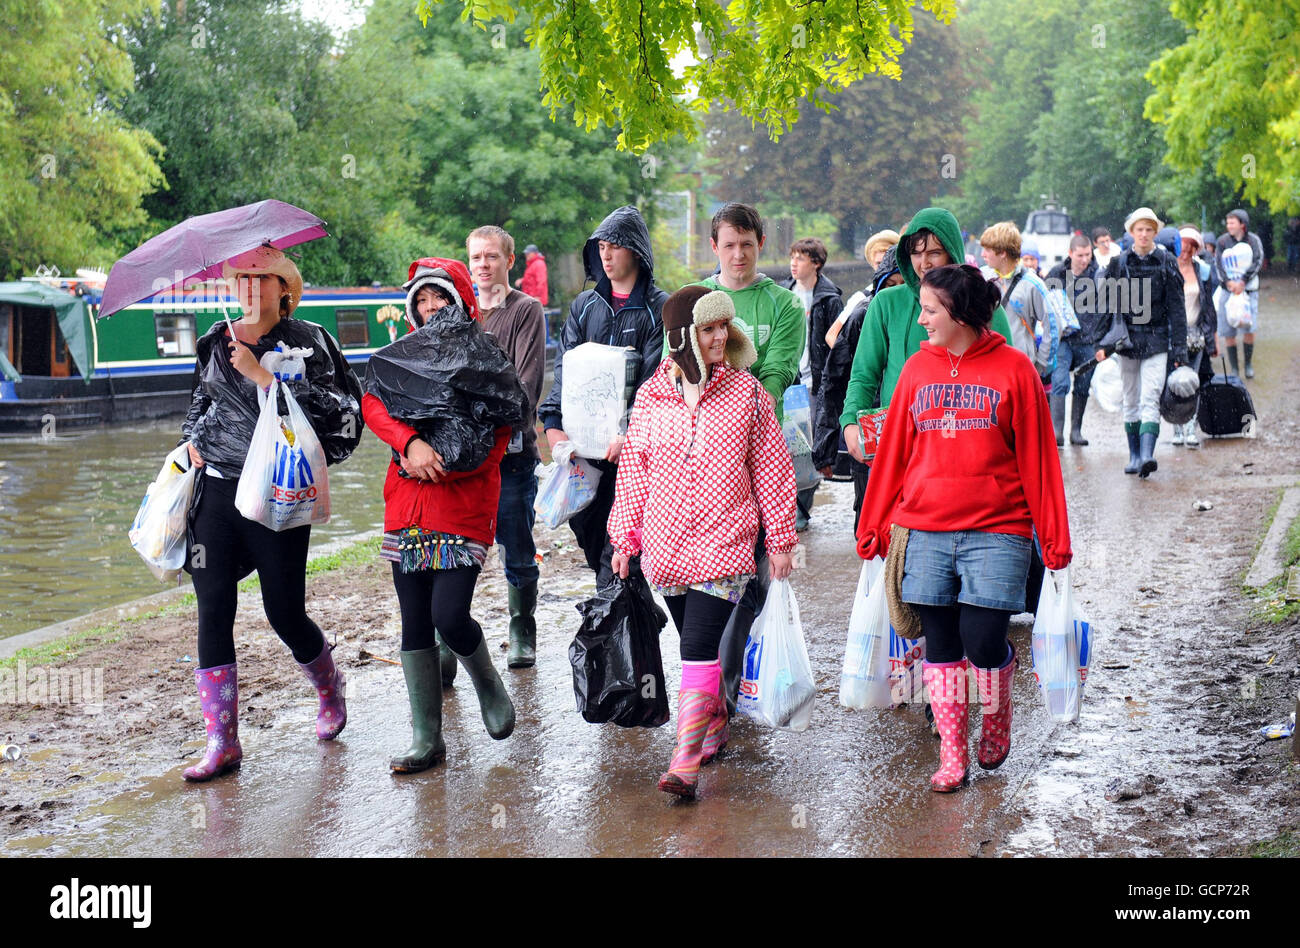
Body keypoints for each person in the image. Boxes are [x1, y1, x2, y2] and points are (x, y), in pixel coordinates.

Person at [856, 263, 1072, 792]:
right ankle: (954, 755)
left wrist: (1054, 535)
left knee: (983, 640)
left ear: (959, 312)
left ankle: (997, 710)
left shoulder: (1016, 370)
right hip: (923, 527)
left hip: (999, 528)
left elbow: (1039, 459)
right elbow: (894, 456)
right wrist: (875, 519)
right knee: (940, 642)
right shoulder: (915, 371)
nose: (922, 319)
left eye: (930, 309)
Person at [179, 245, 363, 782]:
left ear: (285, 289)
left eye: (265, 278)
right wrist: (192, 439)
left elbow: (344, 410)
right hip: (216, 491)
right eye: (244, 278)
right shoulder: (215, 340)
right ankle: (222, 741)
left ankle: (330, 687)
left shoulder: (310, 341)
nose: (253, 287)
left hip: (279, 491)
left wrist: (266, 377)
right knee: (212, 605)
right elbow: (198, 402)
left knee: (284, 612)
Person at [608, 285, 798, 800]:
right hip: (665, 548)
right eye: (709, 328)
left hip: (727, 542)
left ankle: (685, 762)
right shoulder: (651, 397)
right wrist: (624, 539)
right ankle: (712, 723)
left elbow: (774, 471)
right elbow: (634, 473)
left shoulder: (748, 394)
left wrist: (779, 539)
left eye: (724, 327)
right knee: (695, 645)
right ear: (683, 338)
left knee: (695, 648)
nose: (722, 337)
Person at [363, 258, 524, 772]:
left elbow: (499, 439)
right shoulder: (400, 358)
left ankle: (487, 683)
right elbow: (371, 403)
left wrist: (444, 465)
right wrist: (409, 444)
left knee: (447, 614)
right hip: (406, 505)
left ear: (459, 301)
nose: (429, 308)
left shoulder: (487, 359)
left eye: (439, 298)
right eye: (421, 300)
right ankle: (426, 738)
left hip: (463, 506)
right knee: (414, 619)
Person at [685, 202, 805, 712]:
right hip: (697, 470)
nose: (738, 254)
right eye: (728, 245)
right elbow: (676, 372)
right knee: (702, 585)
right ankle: (710, 688)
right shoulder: (696, 302)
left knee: (746, 585)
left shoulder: (784, 306)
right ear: (714, 247)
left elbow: (774, 378)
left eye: (748, 245)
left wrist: (730, 398)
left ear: (761, 246)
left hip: (758, 463)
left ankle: (722, 694)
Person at [538, 205, 667, 586]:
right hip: (581, 458)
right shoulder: (584, 306)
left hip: (635, 457)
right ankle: (627, 629)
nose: (605, 255)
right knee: (597, 552)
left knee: (627, 559)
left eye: (615, 246)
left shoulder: (660, 309)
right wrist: (552, 425)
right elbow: (565, 371)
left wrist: (629, 434)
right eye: (601, 247)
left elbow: (654, 383)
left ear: (637, 251)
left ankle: (620, 634)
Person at [840, 208, 1015, 468]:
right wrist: (851, 422)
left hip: (970, 447)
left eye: (934, 252)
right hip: (900, 445)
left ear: (953, 252)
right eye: (916, 253)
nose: (924, 264)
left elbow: (1008, 381)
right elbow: (864, 375)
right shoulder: (886, 303)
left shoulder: (985, 307)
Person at [465, 226, 546, 669]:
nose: (483, 265)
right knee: (458, 551)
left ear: (509, 261)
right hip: (466, 461)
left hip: (511, 457)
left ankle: (521, 629)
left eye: (491, 257)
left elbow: (526, 385)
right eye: (476, 257)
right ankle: (454, 635)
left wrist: (477, 409)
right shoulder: (460, 311)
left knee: (516, 544)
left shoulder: (525, 310)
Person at [815, 247, 902, 515]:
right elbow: (835, 380)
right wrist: (825, 447)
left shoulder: (928, 316)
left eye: (903, 285)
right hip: (870, 424)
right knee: (869, 509)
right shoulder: (862, 315)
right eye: (889, 285)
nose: (895, 292)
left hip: (907, 425)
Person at [1102, 207, 1187, 477]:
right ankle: (1134, 454)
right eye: (1139, 229)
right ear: (1131, 232)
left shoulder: (1166, 261)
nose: (1144, 234)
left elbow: (1177, 308)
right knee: (1131, 398)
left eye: (1149, 229)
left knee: (1150, 396)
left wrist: (1180, 348)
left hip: (1157, 339)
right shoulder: (1119, 263)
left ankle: (1148, 455)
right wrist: (1100, 343)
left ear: (1155, 233)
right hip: (1127, 340)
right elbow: (1106, 305)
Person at [779, 236, 843, 530]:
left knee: (810, 448)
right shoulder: (783, 294)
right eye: (792, 257)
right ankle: (792, 508)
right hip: (790, 383)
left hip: (816, 383)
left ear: (816, 263)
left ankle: (801, 510)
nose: (794, 263)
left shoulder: (829, 298)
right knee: (789, 447)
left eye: (801, 258)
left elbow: (836, 346)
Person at [1045, 234, 1105, 446]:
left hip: (1088, 340)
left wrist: (1101, 341)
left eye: (1087, 254)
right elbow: (1045, 303)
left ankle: (1076, 431)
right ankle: (1056, 432)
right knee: (1060, 381)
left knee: (1083, 385)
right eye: (1080, 255)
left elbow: (1104, 309)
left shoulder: (1098, 275)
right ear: (1070, 254)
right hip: (1063, 339)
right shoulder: (1056, 274)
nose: (1084, 259)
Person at [979, 221, 1058, 383]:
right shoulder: (981, 277)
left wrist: (1041, 364)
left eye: (987, 250)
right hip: (985, 367)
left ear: (1002, 253)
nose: (982, 254)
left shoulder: (1032, 283)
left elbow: (1054, 323)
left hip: (1019, 371)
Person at [1171, 226, 1219, 447]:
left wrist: (1212, 338)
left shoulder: (1203, 271)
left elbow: (1208, 307)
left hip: (1196, 334)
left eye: (1191, 247)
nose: (1186, 251)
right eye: (1182, 245)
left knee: (1193, 381)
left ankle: (1191, 427)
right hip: (1173, 334)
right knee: (1173, 381)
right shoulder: (1167, 268)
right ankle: (1176, 427)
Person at [1213, 209, 1264, 379]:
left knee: (1250, 327)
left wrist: (1243, 281)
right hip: (1227, 291)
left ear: (1242, 224)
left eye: (1232, 222)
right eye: (1227, 223)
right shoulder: (1222, 242)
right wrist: (1229, 283)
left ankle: (1248, 364)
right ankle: (1234, 368)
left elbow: (1257, 260)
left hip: (1248, 291)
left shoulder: (1253, 240)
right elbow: (1218, 265)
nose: (1229, 226)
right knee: (1228, 330)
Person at [830, 229, 900, 348]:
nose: (885, 268)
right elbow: (832, 335)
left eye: (889, 262)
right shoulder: (862, 297)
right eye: (879, 264)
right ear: (872, 264)